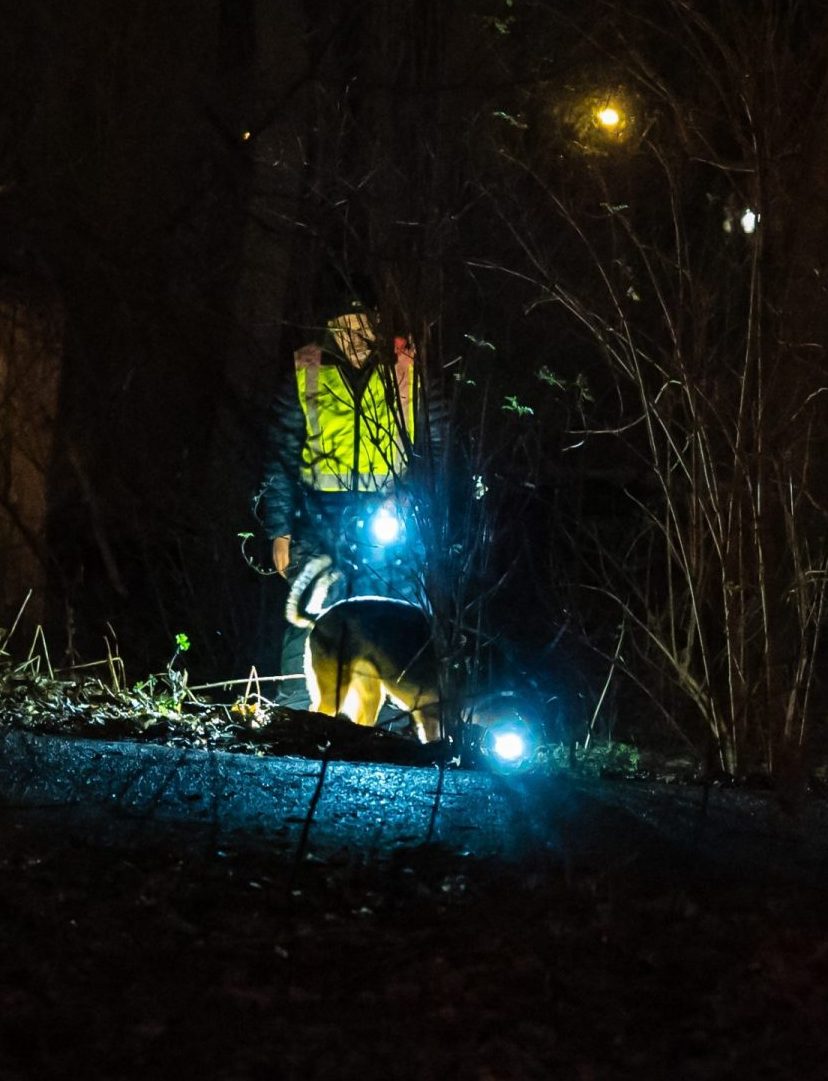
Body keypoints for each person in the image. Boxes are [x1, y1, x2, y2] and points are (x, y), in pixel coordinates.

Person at [257, 294, 435, 702]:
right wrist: (279, 529)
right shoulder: (308, 370)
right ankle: (299, 716)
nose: (353, 334)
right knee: (312, 619)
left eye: (362, 323)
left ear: (375, 323)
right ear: (328, 327)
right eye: (342, 323)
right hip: (320, 517)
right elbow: (282, 454)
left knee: (390, 619)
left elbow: (435, 448)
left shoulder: (406, 369)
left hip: (388, 517)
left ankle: (386, 731)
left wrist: (406, 500)